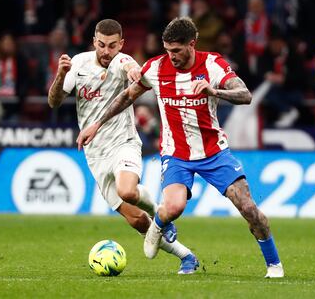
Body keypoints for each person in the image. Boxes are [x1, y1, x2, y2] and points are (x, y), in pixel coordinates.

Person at [77, 17, 284, 278]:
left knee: (248, 208)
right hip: (176, 155)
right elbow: (127, 96)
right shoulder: (156, 68)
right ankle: (159, 225)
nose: (171, 56)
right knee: (173, 207)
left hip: (214, 153)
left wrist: (214, 92)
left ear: (192, 44)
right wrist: (97, 123)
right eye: (167, 50)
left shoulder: (212, 64)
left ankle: (274, 265)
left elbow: (245, 95)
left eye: (176, 50)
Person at [48, 19, 198, 274]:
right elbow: (54, 101)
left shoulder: (121, 60)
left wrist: (133, 71)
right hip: (95, 154)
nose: (107, 51)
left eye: (112, 46)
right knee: (138, 220)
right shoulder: (79, 64)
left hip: (123, 142)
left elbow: (130, 67)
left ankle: (161, 215)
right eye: (102, 45)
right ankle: (187, 257)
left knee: (127, 191)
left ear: (121, 44)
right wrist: (61, 74)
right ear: (94, 42)